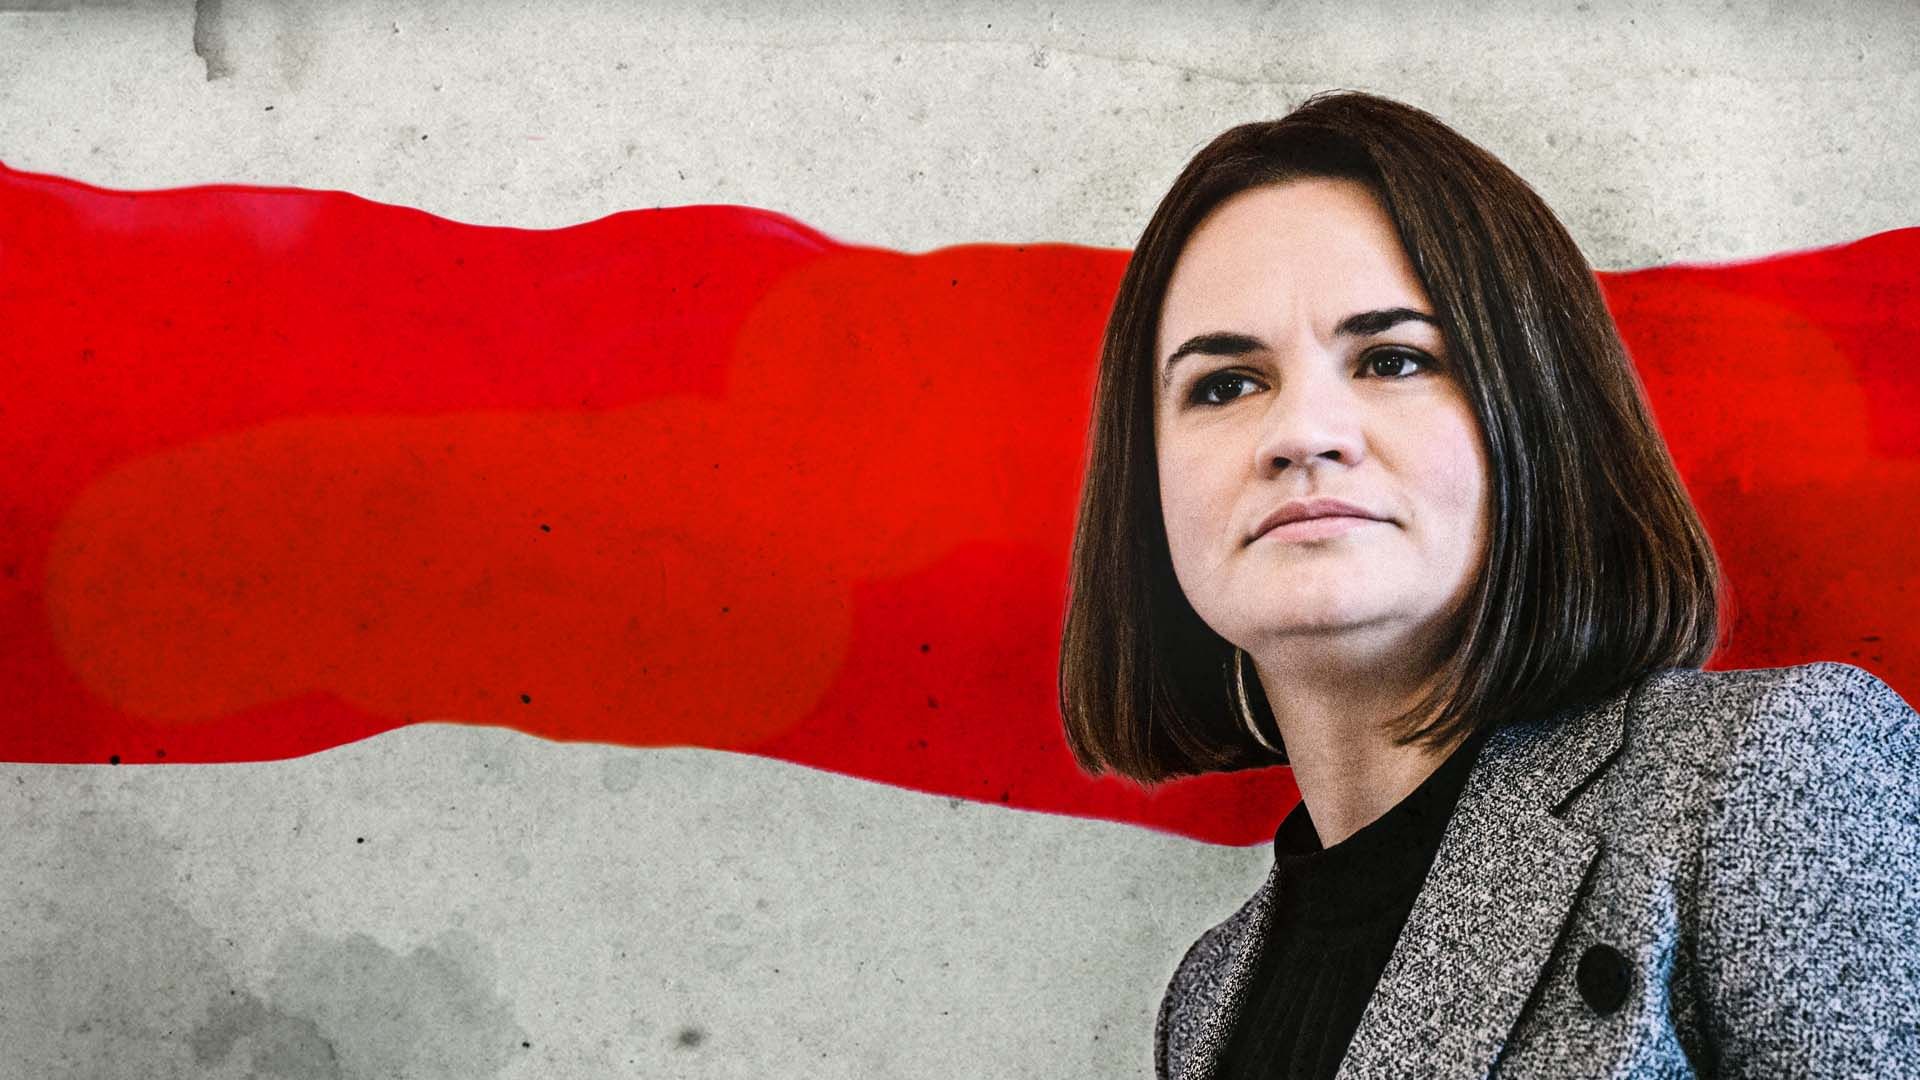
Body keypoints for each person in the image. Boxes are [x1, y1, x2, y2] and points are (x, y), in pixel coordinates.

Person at [1055, 89, 1920, 1079]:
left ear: (1540, 418)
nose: (1300, 434)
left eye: (1392, 360)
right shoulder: (1204, 1003)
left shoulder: (1765, 772)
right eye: (1225, 384)